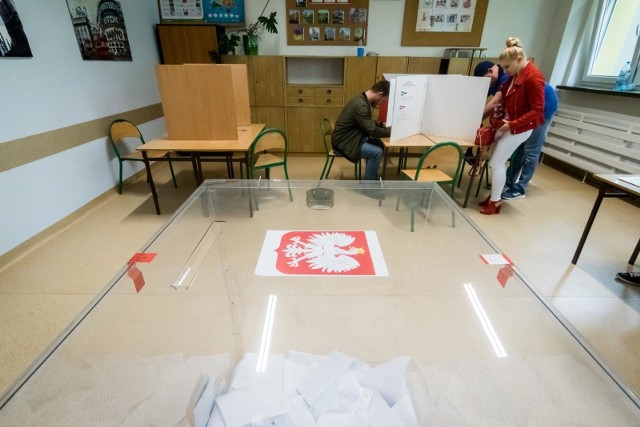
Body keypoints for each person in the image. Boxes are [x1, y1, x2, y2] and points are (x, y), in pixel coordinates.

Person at [480, 37, 545, 215]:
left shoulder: (533, 78)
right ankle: (495, 196)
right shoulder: (514, 75)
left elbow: (538, 110)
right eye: (503, 68)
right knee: (495, 159)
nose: (506, 72)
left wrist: (512, 125)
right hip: (511, 123)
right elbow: (500, 98)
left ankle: (495, 202)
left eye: (508, 67)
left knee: (497, 163)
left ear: (519, 60)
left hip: (521, 127)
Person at [501, 81, 558, 199]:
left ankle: (521, 188)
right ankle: (508, 180)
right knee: (520, 147)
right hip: (530, 110)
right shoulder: (507, 79)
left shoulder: (509, 79)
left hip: (543, 111)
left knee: (531, 150)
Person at [332, 80, 391, 181]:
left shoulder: (362, 99)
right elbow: (372, 131)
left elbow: (364, 121)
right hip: (345, 141)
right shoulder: (361, 105)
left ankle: (371, 177)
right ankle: (369, 186)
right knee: (376, 152)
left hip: (352, 137)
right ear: (380, 94)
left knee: (380, 145)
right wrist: (392, 133)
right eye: (383, 100)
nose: (380, 104)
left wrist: (379, 124)